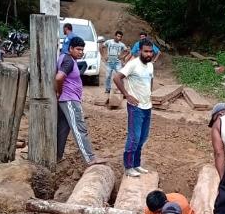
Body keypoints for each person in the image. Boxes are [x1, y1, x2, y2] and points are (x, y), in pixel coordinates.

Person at [56, 36, 105, 165]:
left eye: (82, 50)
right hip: (70, 100)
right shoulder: (69, 61)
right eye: (78, 49)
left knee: (63, 128)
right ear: (70, 48)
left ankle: (57, 156)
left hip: (67, 99)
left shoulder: (66, 58)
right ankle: (90, 158)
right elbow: (59, 77)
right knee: (79, 129)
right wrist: (60, 92)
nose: (80, 52)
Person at [113, 38, 154, 177]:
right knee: (134, 137)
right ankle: (128, 166)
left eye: (151, 51)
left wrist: (149, 94)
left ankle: (136, 164)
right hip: (135, 107)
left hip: (147, 106)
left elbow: (150, 80)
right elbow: (117, 78)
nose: (149, 54)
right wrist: (126, 95)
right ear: (139, 51)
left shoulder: (150, 66)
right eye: (146, 51)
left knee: (143, 137)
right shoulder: (133, 64)